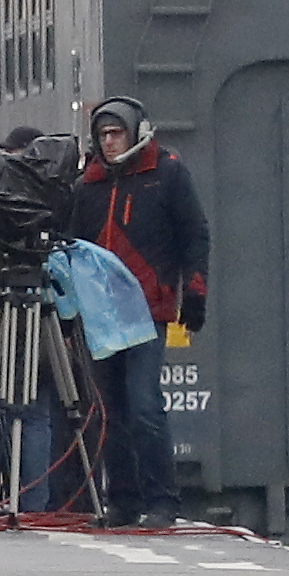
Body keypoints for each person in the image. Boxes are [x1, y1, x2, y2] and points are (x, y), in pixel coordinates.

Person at [64, 99, 208, 519]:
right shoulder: (88, 185)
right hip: (102, 316)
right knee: (112, 411)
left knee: (144, 405)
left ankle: (163, 500)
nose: (109, 143)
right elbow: (74, 244)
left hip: (148, 310)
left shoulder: (167, 174)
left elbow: (195, 235)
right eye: (102, 135)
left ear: (134, 131)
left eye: (116, 133)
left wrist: (194, 290)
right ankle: (123, 500)